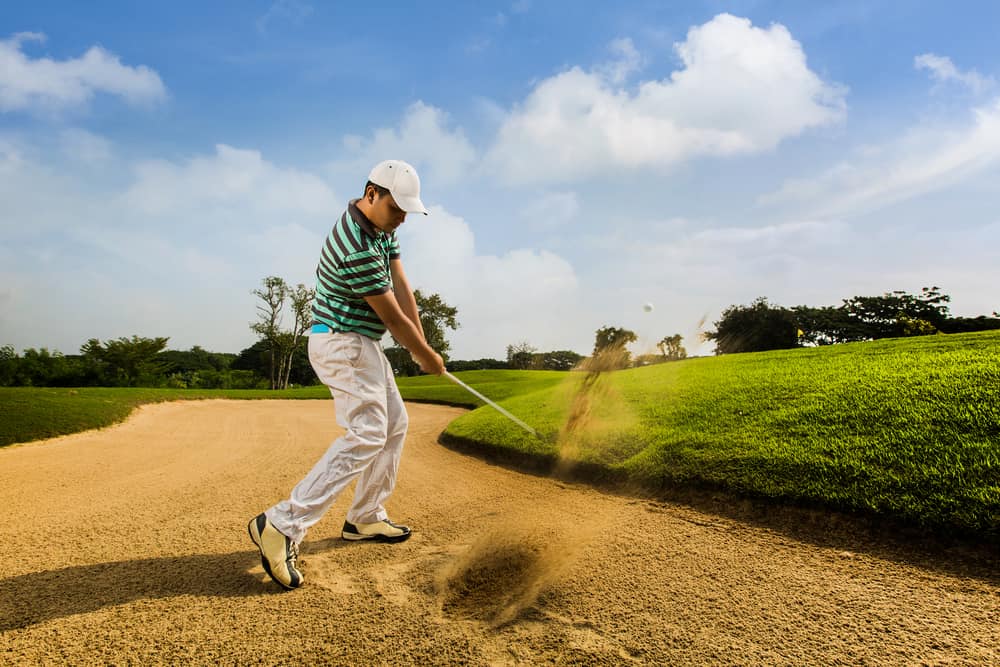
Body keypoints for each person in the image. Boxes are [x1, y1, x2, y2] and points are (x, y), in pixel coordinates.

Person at [248, 159, 446, 590]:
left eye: (408, 211)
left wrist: (425, 342)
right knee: (367, 433)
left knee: (394, 425)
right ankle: (282, 523)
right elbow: (392, 317)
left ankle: (364, 517)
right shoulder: (356, 245)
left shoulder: (382, 228)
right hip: (341, 342)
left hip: (361, 342)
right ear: (371, 193)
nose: (403, 218)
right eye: (397, 207)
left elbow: (402, 285)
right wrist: (424, 354)